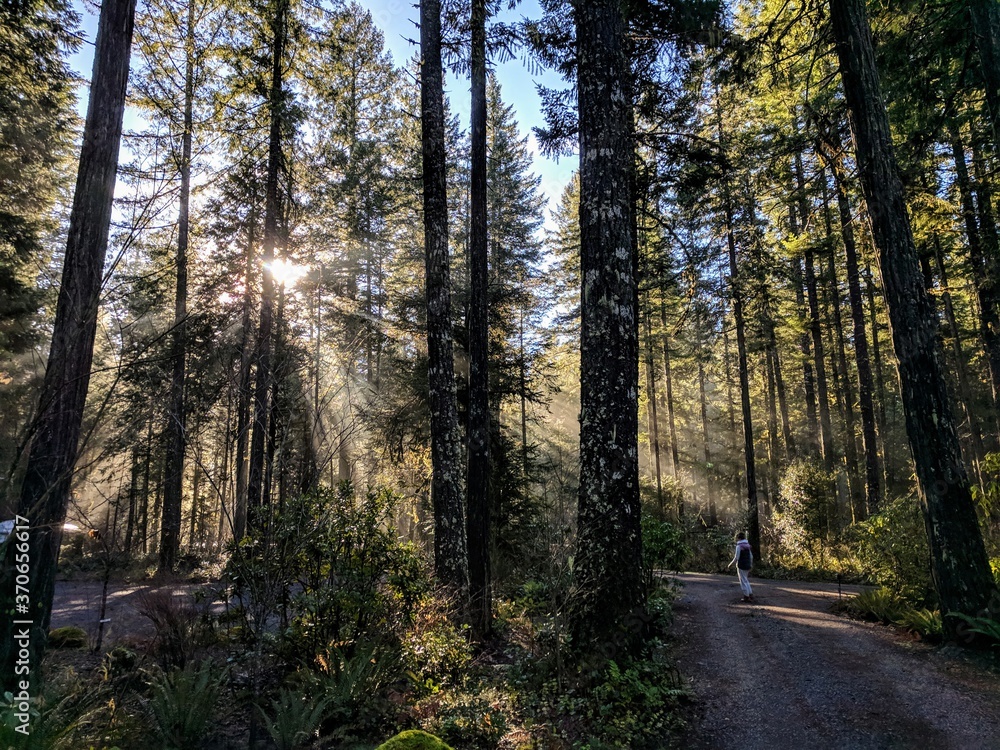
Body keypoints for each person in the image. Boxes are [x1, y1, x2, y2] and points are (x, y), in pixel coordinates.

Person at [728, 531, 754, 602]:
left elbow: (736, 557)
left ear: (738, 538)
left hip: (741, 565)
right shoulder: (748, 546)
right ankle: (750, 594)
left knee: (743, 581)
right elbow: (751, 556)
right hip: (748, 565)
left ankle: (746, 596)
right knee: (746, 580)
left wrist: (730, 564)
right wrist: (751, 564)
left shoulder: (739, 546)